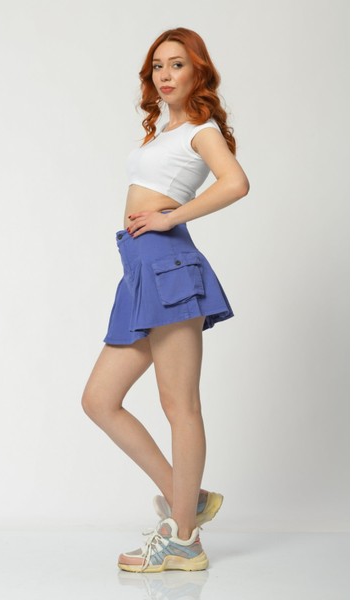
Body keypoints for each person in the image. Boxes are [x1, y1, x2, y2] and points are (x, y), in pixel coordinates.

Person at [81, 26, 250, 573]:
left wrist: (169, 217)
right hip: (139, 271)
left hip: (170, 268)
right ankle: (188, 500)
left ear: (198, 71)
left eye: (177, 64)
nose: (165, 74)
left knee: (180, 406)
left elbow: (235, 183)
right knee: (99, 399)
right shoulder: (162, 134)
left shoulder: (201, 131)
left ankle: (184, 540)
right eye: (158, 66)